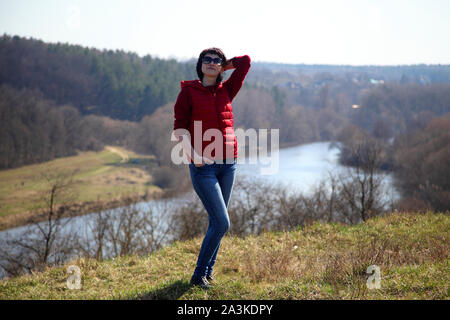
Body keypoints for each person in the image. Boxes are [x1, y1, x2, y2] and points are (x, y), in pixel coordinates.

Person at [172, 47, 251, 289]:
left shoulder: (227, 89)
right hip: (203, 165)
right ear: (200, 63)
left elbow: (246, 62)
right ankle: (198, 276)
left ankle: (208, 273)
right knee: (222, 222)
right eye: (207, 59)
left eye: (217, 60)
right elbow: (180, 129)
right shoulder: (188, 92)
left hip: (229, 164)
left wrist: (224, 66)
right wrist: (192, 154)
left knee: (217, 221)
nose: (212, 63)